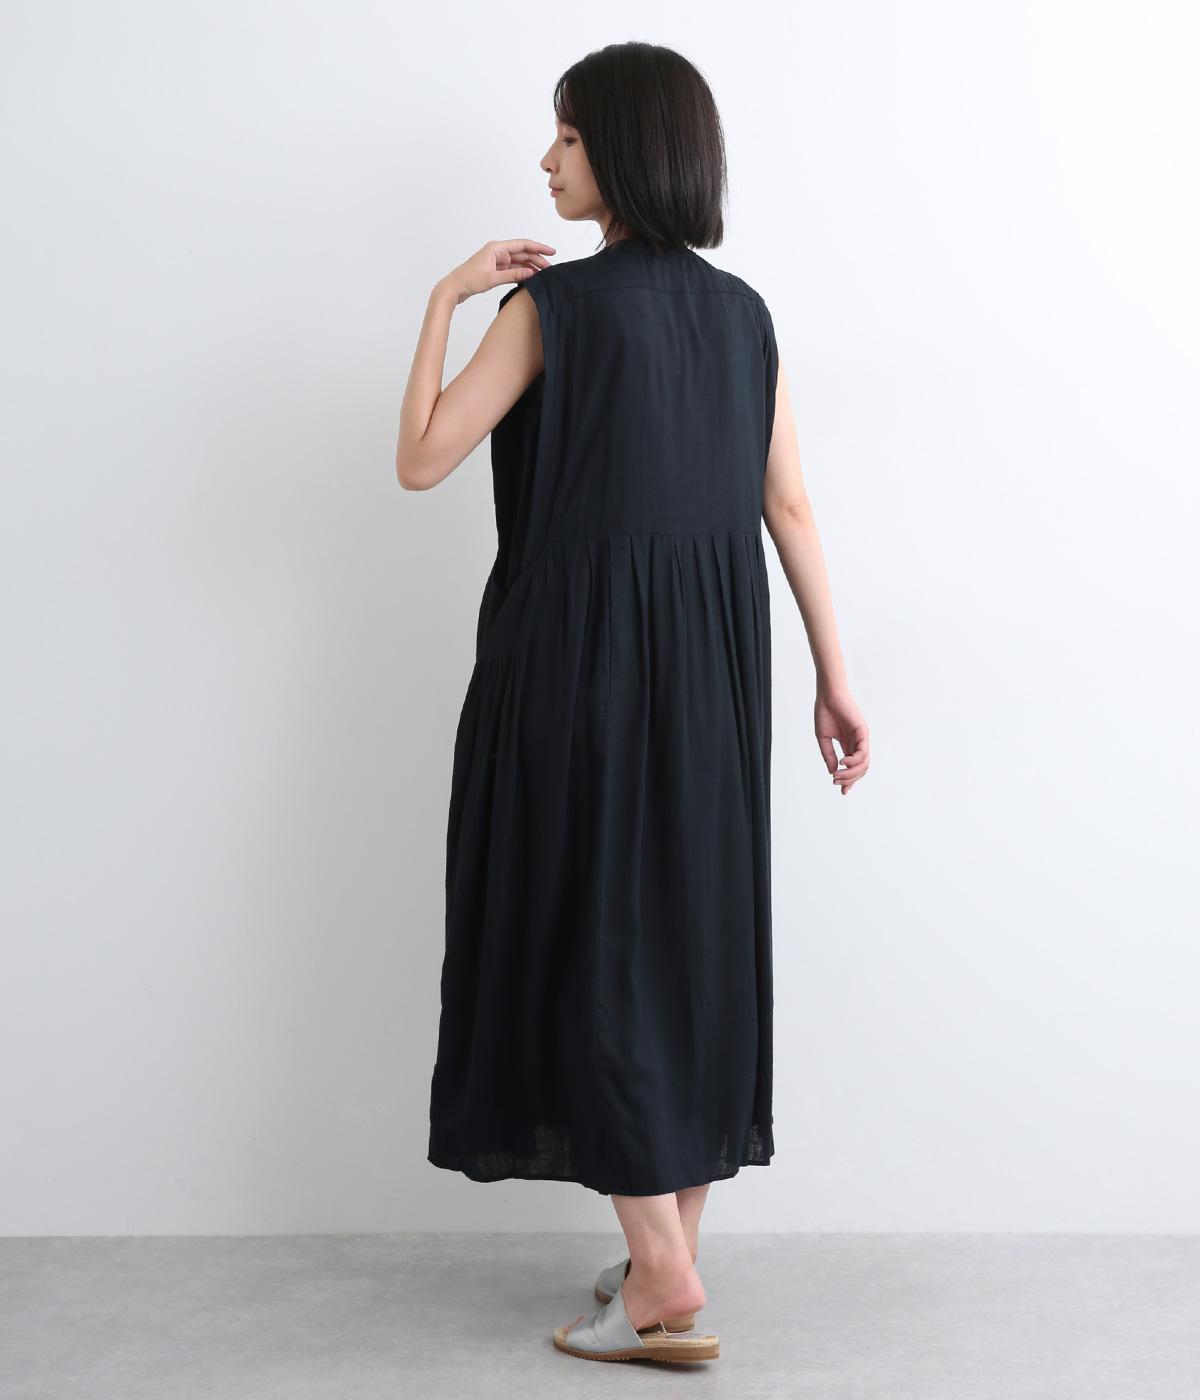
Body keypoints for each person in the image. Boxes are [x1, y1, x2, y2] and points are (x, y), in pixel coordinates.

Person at [395, 41, 870, 1365]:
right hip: (717, 660)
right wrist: (834, 677)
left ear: (622, 146)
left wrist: (443, 300)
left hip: (574, 652)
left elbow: (422, 458)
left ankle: (660, 1274)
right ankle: (666, 1264)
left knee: (584, 923)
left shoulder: (552, 307)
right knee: (686, 926)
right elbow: (789, 505)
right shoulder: (744, 315)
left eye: (565, 136)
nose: (546, 160)